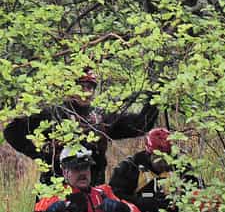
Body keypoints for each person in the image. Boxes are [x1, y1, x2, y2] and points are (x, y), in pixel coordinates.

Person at [3, 69, 158, 186]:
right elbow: (12, 131)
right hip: (56, 189)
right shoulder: (52, 113)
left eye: (90, 87)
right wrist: (41, 156)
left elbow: (140, 125)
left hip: (93, 188)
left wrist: (156, 98)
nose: (86, 92)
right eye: (81, 86)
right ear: (69, 87)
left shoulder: (101, 117)